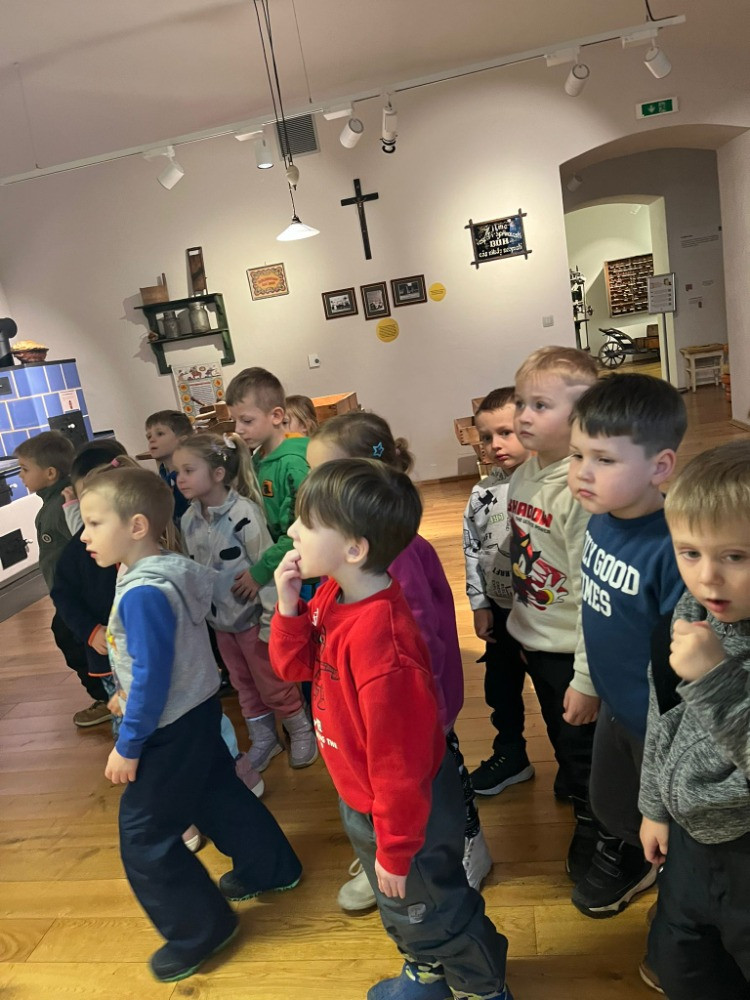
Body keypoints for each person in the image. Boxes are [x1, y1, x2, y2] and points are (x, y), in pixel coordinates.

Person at [271, 459, 513, 1000]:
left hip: (407, 813)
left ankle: (484, 988)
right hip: (363, 794)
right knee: (405, 907)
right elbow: (295, 669)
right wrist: (288, 609)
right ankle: (426, 972)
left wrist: (396, 848)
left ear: (354, 548)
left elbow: (401, 767)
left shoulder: (385, 650)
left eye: (306, 522)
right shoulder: (333, 595)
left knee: (436, 909)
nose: (291, 531)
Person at [79, 465, 302, 983]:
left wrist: (129, 743)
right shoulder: (167, 569)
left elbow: (153, 677)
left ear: (137, 526)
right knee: (215, 794)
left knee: (144, 835)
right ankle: (271, 867)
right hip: (197, 710)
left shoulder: (143, 592)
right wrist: (128, 694)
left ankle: (199, 929)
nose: (84, 535)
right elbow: (162, 659)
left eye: (93, 523)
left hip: (165, 729)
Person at [308, 411, 491, 907]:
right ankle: (388, 848)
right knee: (402, 782)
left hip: (420, 705)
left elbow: (419, 640)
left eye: (324, 475)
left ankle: (466, 847)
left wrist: (428, 709)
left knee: (441, 779)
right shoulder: (353, 560)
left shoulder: (395, 555)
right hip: (386, 706)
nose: (311, 489)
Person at [566, 374, 687, 920]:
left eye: (604, 460)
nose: (582, 472)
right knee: (612, 801)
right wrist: (588, 681)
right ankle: (633, 854)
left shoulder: (675, 549)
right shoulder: (600, 520)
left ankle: (681, 894)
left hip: (660, 725)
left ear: (660, 467)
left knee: (672, 821)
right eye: (577, 455)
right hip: (616, 705)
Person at [638, 440, 750, 1000]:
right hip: (688, 840)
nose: (707, 579)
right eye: (689, 552)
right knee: (685, 966)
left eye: (736, 556)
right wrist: (654, 806)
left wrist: (716, 679)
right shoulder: (689, 614)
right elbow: (664, 714)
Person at [506, 345, 599, 880]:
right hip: (538, 639)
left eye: (540, 405)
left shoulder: (578, 491)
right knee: (558, 730)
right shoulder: (526, 473)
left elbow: (592, 597)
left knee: (582, 741)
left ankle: (600, 824)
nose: (523, 415)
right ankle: (576, 782)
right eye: (521, 402)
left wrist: (586, 679)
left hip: (573, 650)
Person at [174, 432, 317, 772]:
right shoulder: (189, 519)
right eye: (178, 472)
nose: (180, 479)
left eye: (189, 470)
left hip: (254, 622)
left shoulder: (245, 513)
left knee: (274, 684)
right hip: (222, 624)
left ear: (218, 474)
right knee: (244, 686)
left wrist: (270, 624)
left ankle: (301, 730)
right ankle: (265, 738)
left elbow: (265, 571)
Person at [14, 430, 111, 728]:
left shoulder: (61, 506)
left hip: (77, 596)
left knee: (74, 641)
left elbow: (85, 545)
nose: (20, 476)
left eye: (25, 469)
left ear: (50, 473)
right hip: (68, 594)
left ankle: (105, 697)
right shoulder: (53, 503)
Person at [463, 388, 533, 797]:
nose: (496, 445)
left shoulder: (548, 487)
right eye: (487, 437)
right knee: (501, 688)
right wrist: (480, 603)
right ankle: (511, 753)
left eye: (506, 433)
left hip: (542, 615)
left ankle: (574, 768)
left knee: (552, 691)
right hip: (500, 610)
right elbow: (472, 548)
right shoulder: (481, 493)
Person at [51, 439, 128, 738]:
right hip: (109, 657)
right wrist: (90, 631)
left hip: (150, 659)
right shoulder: (80, 547)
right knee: (126, 724)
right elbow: (63, 594)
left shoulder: (150, 539)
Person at [226, 368, 310, 596]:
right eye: (234, 420)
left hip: (303, 576)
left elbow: (302, 530)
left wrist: (260, 572)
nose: (238, 429)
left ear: (276, 416)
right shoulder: (258, 458)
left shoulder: (294, 465)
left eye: (246, 420)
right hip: (277, 566)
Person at [145, 409, 193, 522]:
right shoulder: (164, 473)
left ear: (182, 440)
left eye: (160, 434)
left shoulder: (191, 476)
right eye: (149, 436)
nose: (152, 440)